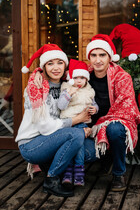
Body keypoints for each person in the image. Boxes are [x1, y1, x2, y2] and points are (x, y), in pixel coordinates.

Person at [34, 34, 140, 192]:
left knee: (115, 129)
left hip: (109, 123)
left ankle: (119, 173)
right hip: (84, 126)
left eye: (102, 55)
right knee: (73, 145)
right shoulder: (84, 74)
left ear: (110, 57)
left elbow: (126, 108)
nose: (98, 60)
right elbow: (56, 72)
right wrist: (38, 72)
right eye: (94, 55)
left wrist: (99, 125)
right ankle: (70, 171)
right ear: (89, 57)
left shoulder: (121, 77)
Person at [15, 44, 91, 197]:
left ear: (65, 65)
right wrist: (77, 120)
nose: (55, 67)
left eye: (60, 62)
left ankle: (49, 165)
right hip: (32, 144)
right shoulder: (36, 87)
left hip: (53, 138)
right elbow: (45, 126)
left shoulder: (66, 85)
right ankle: (52, 179)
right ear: (44, 66)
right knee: (76, 136)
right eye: (50, 63)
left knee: (90, 151)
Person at [58, 59, 99, 187]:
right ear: (70, 78)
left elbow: (94, 104)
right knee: (74, 145)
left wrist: (95, 109)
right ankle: (71, 172)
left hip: (82, 124)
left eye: (82, 78)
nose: (79, 81)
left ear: (87, 79)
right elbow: (61, 106)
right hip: (69, 123)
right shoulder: (66, 89)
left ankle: (77, 171)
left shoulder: (89, 91)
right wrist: (68, 94)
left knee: (78, 145)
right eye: (76, 78)